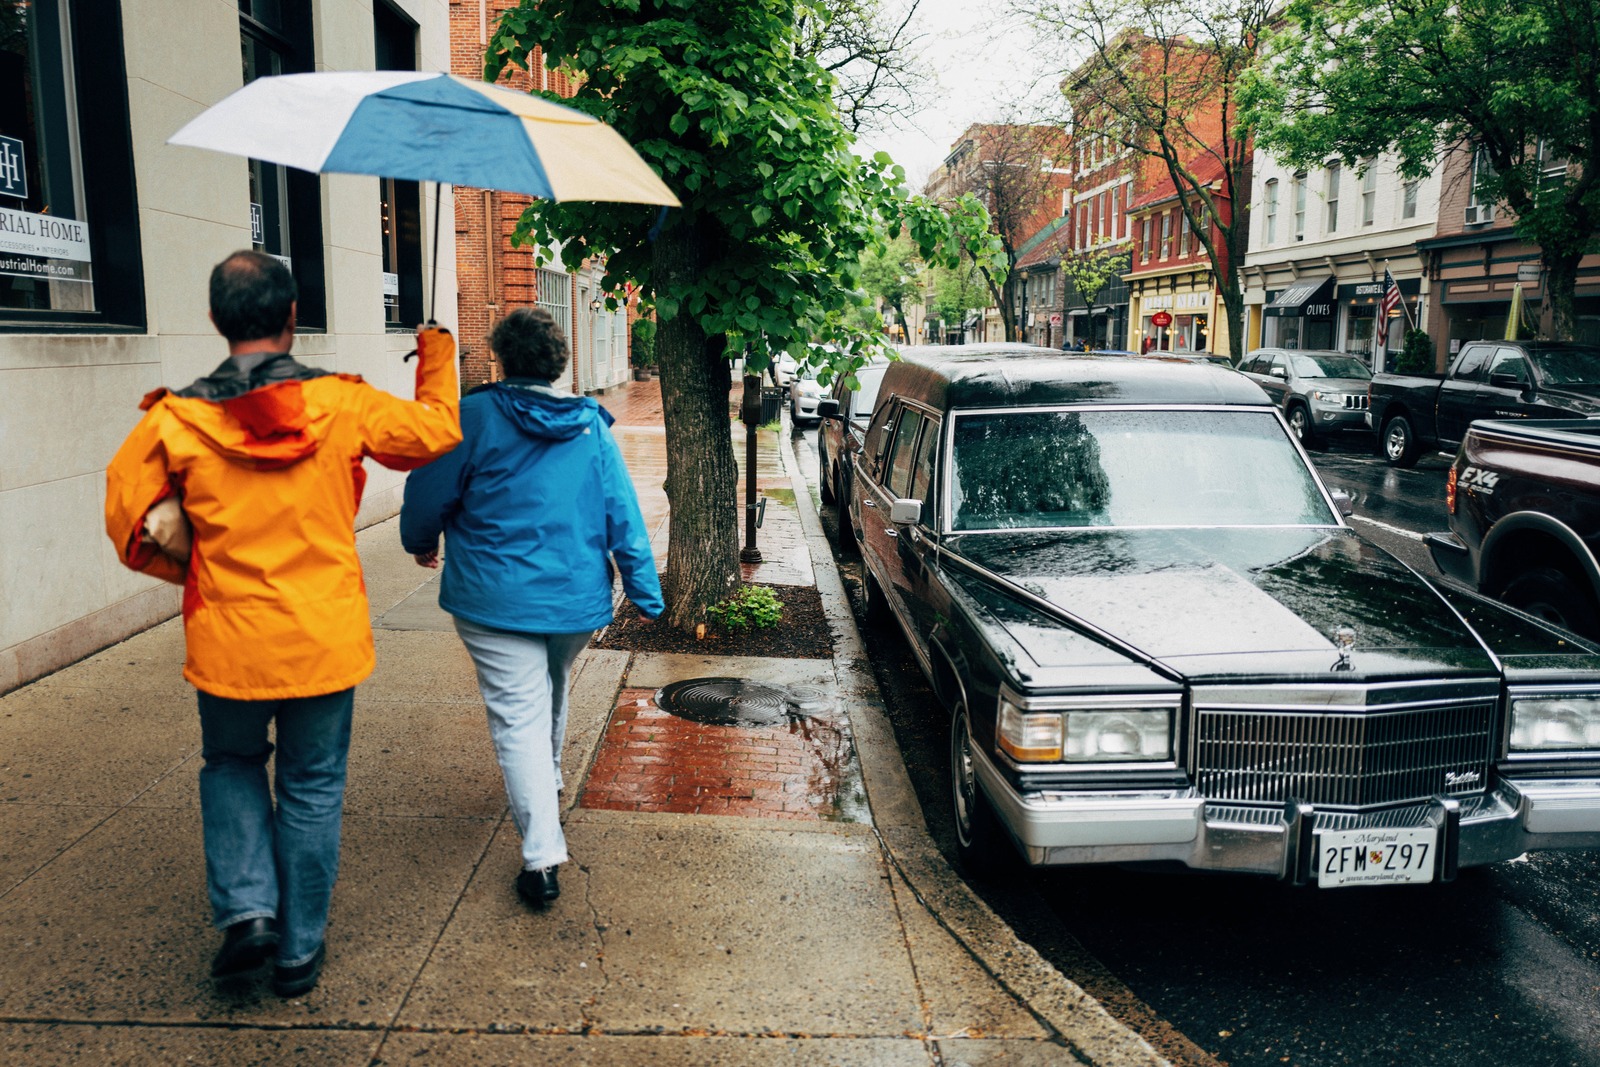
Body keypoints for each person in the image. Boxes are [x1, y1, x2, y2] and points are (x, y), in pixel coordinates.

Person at [104, 250, 461, 997]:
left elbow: (129, 526)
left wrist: (195, 574)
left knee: (232, 764)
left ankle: (248, 911)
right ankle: (298, 952)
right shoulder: (342, 404)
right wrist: (435, 350)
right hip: (323, 639)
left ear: (216, 319)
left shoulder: (174, 420)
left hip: (228, 642)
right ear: (294, 315)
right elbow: (433, 434)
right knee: (312, 784)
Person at [399, 307, 663, 911]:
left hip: (493, 599)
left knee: (518, 716)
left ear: (501, 357)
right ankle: (549, 775)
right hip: (574, 600)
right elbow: (623, 514)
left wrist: (420, 540)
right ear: (559, 364)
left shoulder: (471, 417)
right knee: (551, 685)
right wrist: (645, 592)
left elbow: (428, 488)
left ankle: (541, 857)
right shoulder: (590, 426)